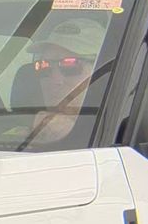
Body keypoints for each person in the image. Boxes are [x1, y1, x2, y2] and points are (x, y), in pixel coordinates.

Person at [24, 17, 105, 145]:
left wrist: (76, 134)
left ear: (101, 69)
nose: (55, 80)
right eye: (45, 67)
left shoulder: (125, 130)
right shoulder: (5, 136)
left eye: (70, 66)